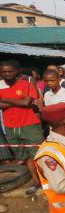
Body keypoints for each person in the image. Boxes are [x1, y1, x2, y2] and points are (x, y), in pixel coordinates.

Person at [0, 60, 43, 194]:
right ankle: (36, 182)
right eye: (3, 72)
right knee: (25, 158)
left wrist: (5, 100)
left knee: (39, 156)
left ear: (17, 71)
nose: (6, 74)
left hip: (29, 124)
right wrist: (20, 102)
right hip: (10, 126)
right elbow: (22, 102)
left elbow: (27, 102)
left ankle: (48, 181)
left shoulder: (27, 83)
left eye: (9, 71)